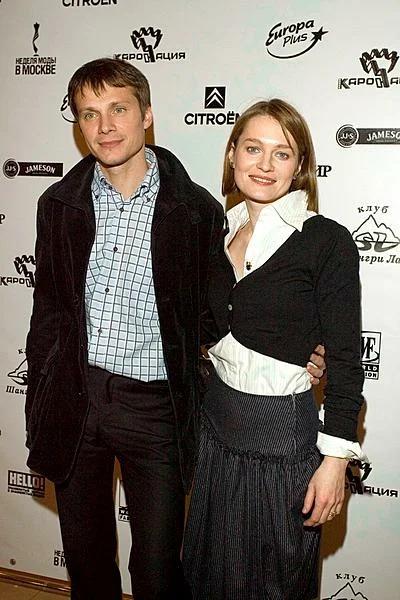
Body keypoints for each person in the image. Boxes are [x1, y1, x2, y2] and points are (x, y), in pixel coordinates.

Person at [25, 58, 325, 600]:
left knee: (160, 570)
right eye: (89, 114)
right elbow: (46, 317)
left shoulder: (198, 211)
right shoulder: (58, 205)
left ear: (147, 115)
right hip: (77, 401)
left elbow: (225, 310)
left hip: (158, 409)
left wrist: (298, 348)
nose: (105, 126)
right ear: (78, 124)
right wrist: (40, 407)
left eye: (118, 109)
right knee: (86, 565)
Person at [183, 99, 367, 600]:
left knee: (275, 584)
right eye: (252, 149)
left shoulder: (325, 241)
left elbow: (346, 360)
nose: (265, 165)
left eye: (281, 153)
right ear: (232, 155)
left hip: (284, 443)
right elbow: (203, 330)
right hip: (216, 437)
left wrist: (335, 462)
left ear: (300, 164)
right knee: (209, 578)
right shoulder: (215, 234)